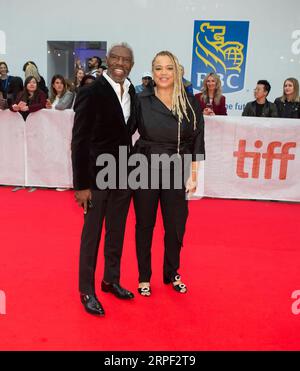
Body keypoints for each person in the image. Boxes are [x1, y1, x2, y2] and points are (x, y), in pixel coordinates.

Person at [133, 51, 205, 296]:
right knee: (144, 224)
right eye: (158, 68)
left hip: (178, 168)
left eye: (168, 68)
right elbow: (124, 132)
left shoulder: (190, 101)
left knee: (175, 225)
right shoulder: (142, 99)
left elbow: (197, 140)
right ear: (152, 72)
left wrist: (193, 174)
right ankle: (144, 276)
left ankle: (172, 272)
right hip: (145, 167)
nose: (163, 73)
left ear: (177, 71)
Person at [71, 43, 136, 316]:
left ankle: (111, 279)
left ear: (132, 64)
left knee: (117, 231)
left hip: (123, 175)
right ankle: (86, 289)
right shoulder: (91, 91)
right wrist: (81, 185)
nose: (120, 63)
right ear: (107, 60)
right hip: (96, 178)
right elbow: (79, 139)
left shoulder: (134, 91)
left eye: (126, 59)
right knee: (92, 235)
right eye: (116, 58)